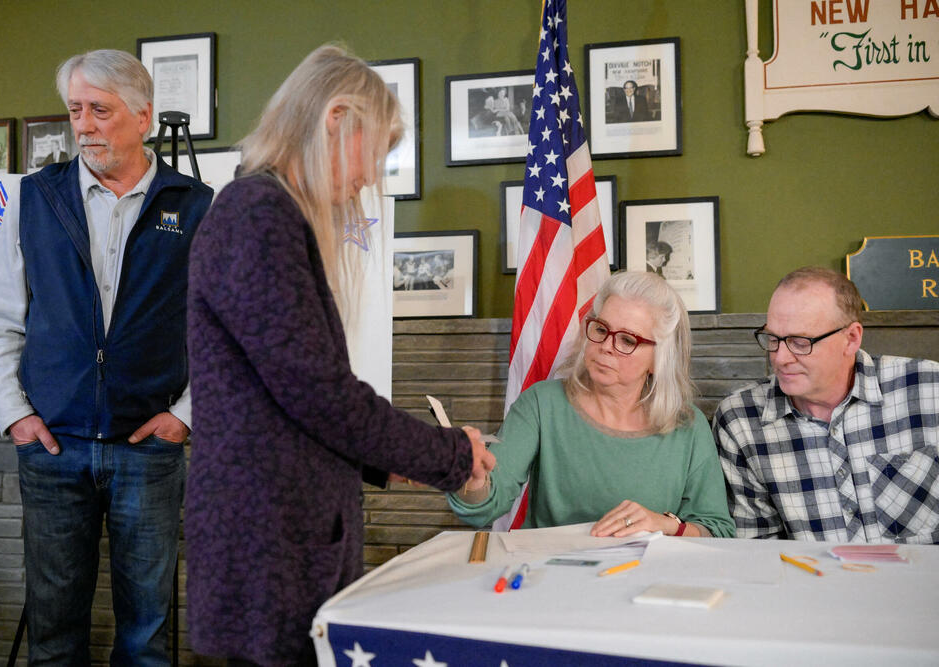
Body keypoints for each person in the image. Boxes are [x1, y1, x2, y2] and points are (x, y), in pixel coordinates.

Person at [183, 44, 495, 667]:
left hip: (284, 535)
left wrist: (387, 463)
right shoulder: (256, 215)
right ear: (335, 119)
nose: (373, 177)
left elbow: (294, 399)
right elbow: (318, 391)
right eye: (374, 153)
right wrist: (450, 455)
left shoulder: (268, 213)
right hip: (271, 543)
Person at [0, 49, 213, 664]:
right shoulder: (33, 199)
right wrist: (14, 415)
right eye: (76, 110)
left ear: (143, 116)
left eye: (100, 111)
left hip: (149, 449)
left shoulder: (198, 206)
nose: (83, 125)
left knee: (147, 631)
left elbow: (224, 330)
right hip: (53, 446)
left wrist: (186, 414)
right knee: (53, 632)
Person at [448, 271, 734, 538]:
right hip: (551, 576)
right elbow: (483, 508)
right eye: (601, 329)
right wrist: (473, 479)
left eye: (627, 340)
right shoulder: (541, 403)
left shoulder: (688, 425)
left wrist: (664, 524)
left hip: (647, 580)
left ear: (659, 360)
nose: (606, 346)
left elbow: (717, 529)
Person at [713, 267, 939, 543]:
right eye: (773, 339)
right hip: (811, 584)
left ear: (851, 338)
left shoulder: (928, 388)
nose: (781, 358)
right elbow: (758, 551)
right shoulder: (740, 420)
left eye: (800, 342)